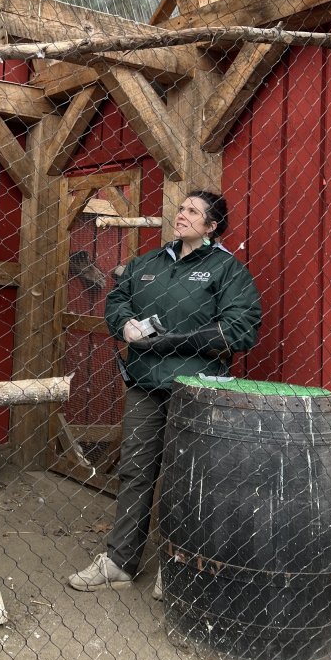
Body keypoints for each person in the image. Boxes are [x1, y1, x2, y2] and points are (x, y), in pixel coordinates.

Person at [67, 191, 262, 594]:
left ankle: (177, 567)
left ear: (211, 226)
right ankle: (119, 562)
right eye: (181, 208)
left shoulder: (227, 269)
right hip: (144, 384)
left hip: (195, 389)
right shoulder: (150, 263)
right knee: (135, 471)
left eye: (193, 211)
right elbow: (118, 298)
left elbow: (241, 329)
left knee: (186, 477)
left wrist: (177, 340)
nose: (182, 214)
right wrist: (124, 324)